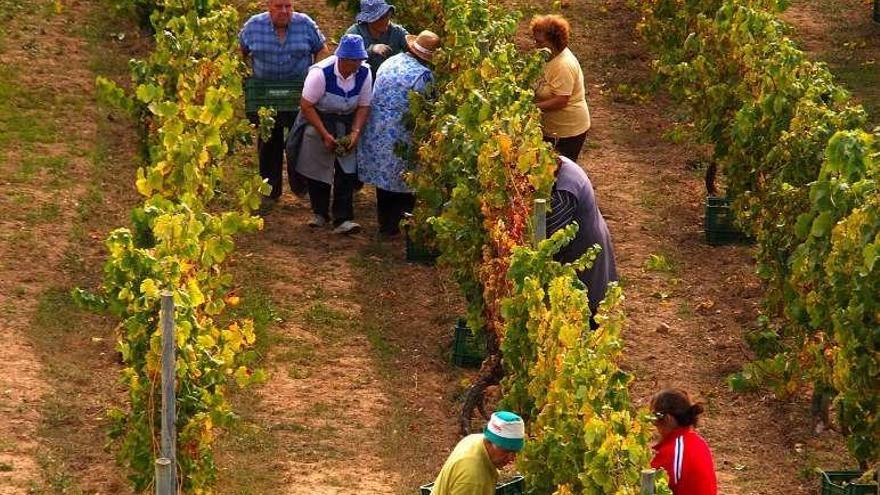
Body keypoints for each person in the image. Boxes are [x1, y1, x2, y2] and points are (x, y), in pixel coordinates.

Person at [239, 0, 330, 209]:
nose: (284, 11)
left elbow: (322, 49)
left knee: (299, 140)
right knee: (269, 142)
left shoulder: (305, 24)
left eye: (288, 6)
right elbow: (241, 52)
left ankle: (301, 186)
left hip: (298, 94)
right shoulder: (253, 26)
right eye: (279, 6)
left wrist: (314, 75)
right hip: (264, 96)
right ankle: (270, 191)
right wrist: (245, 77)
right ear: (269, 6)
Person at [286, 34, 372, 234]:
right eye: (354, 61)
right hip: (318, 118)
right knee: (317, 167)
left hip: (347, 120)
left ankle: (343, 219)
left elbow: (363, 106)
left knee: (347, 169)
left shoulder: (364, 73)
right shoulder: (320, 73)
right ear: (342, 59)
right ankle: (319, 213)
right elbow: (306, 106)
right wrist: (324, 134)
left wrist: (355, 132)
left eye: (360, 60)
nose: (358, 64)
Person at [358, 30, 440, 237]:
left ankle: (386, 225)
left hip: (377, 128)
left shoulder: (392, 61)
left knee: (385, 178)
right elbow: (428, 109)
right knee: (407, 178)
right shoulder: (424, 75)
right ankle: (404, 225)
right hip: (402, 132)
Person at [546, 155, 617, 325]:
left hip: (586, 281)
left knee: (583, 334)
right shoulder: (562, 165)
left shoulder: (563, 192)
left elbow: (550, 249)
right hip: (587, 267)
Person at [531, 15, 591, 162]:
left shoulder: (563, 65)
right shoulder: (545, 56)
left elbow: (561, 101)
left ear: (554, 41)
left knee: (558, 173)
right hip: (551, 128)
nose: (536, 45)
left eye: (540, 42)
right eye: (535, 40)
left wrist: (531, 107)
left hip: (567, 131)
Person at [430, 411, 525, 495]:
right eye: (506, 451)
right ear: (490, 442)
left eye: (515, 451)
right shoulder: (472, 478)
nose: (511, 458)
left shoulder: (474, 440)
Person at [649, 389, 718, 495]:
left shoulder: (671, 452)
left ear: (667, 419)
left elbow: (647, 484)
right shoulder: (697, 442)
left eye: (654, 418)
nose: (654, 424)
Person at [346, 0, 409, 79]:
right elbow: (346, 60)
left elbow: (412, 49)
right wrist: (371, 50)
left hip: (389, 81)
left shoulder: (397, 32)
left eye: (387, 15)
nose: (386, 20)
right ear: (368, 20)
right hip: (361, 81)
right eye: (381, 18)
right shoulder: (354, 33)